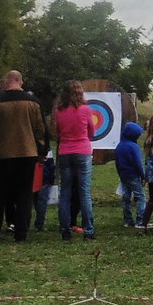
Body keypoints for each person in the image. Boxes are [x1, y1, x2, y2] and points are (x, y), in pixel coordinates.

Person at [0, 70, 46, 243]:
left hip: (5, 154)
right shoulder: (33, 102)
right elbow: (41, 130)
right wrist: (42, 151)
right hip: (28, 153)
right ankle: (21, 234)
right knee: (25, 195)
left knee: (0, 194)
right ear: (20, 81)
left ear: (6, 82)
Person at [51, 82, 97, 241]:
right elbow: (92, 131)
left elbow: (57, 133)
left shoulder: (59, 111)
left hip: (65, 152)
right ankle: (88, 231)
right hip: (82, 151)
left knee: (65, 192)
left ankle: (65, 230)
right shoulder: (85, 109)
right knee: (84, 192)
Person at [113, 119, 147, 229]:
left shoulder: (119, 146)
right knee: (140, 197)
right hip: (134, 175)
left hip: (124, 175)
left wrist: (120, 175)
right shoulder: (133, 147)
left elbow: (117, 162)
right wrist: (143, 176)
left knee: (126, 198)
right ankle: (140, 221)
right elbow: (138, 163)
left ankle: (128, 220)